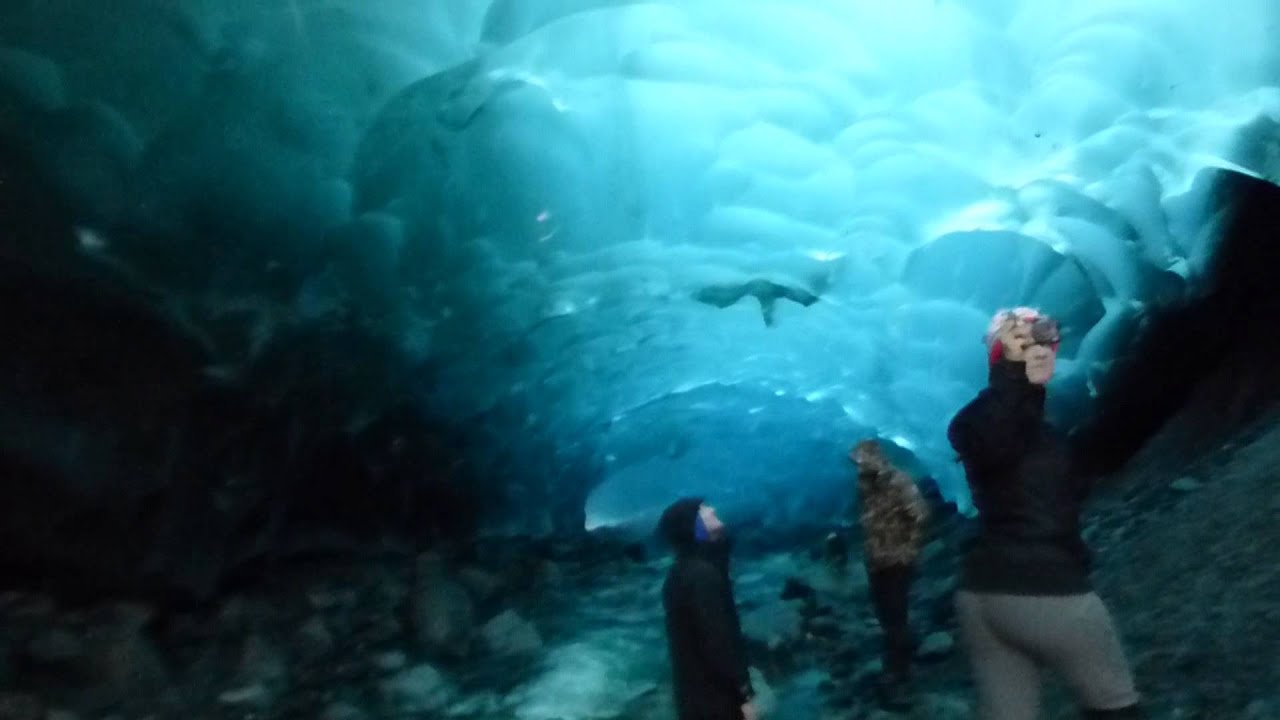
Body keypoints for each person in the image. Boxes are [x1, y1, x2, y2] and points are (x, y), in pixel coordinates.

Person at [947, 308, 1144, 720]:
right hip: (1048, 591)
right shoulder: (984, 421)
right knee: (1117, 708)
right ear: (1001, 354)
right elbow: (995, 436)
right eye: (1022, 343)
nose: (1039, 351)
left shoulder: (1029, 427)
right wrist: (1010, 372)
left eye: (1046, 342)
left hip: (984, 595)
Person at [658, 498, 760, 720]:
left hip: (696, 698)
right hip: (716, 701)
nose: (712, 509)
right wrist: (744, 694)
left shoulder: (683, 571)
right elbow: (719, 639)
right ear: (694, 526)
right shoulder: (702, 575)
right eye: (703, 509)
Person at [850, 439, 930, 710]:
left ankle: (900, 672)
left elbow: (920, 514)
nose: (858, 466)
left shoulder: (897, 480)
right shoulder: (866, 487)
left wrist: (909, 549)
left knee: (896, 615)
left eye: (861, 460)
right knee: (886, 615)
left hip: (896, 560)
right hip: (876, 562)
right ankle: (896, 663)